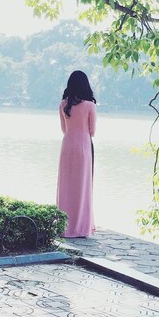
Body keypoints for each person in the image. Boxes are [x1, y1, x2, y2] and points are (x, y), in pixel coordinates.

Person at [56, 70, 97, 238]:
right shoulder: (90, 106)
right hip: (83, 146)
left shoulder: (63, 105)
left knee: (66, 187)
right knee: (82, 186)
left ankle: (65, 226)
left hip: (67, 145)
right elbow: (92, 131)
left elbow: (64, 129)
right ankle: (81, 227)